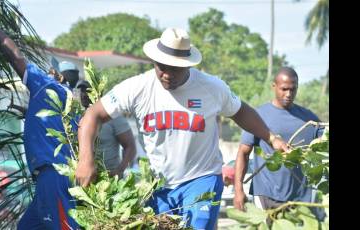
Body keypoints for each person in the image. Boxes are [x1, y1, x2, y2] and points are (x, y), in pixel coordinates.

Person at [75, 27, 289, 230]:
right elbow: (93, 115)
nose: (167, 74)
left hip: (202, 179)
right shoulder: (137, 88)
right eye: (162, 67)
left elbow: (241, 111)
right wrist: (86, 159)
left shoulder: (211, 88)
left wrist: (271, 137)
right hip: (158, 186)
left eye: (175, 69)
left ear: (188, 65)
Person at [0, 12, 79, 230]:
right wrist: (27, 112)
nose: (47, 71)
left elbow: (15, 56)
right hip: (57, 176)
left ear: (57, 75)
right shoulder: (73, 103)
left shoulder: (46, 85)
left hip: (53, 176)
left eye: (50, 71)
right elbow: (54, 124)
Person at [233, 67, 324, 214]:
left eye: (293, 89)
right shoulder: (257, 116)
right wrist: (238, 190)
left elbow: (325, 140)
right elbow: (243, 153)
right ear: (274, 86)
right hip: (267, 196)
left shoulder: (309, 119)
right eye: (284, 89)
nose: (288, 94)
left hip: (301, 198)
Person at [76, 80, 137, 178]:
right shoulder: (75, 117)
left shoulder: (113, 116)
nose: (83, 95)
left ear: (98, 93)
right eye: (82, 91)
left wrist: (119, 170)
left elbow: (130, 146)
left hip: (109, 181)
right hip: (84, 180)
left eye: (87, 91)